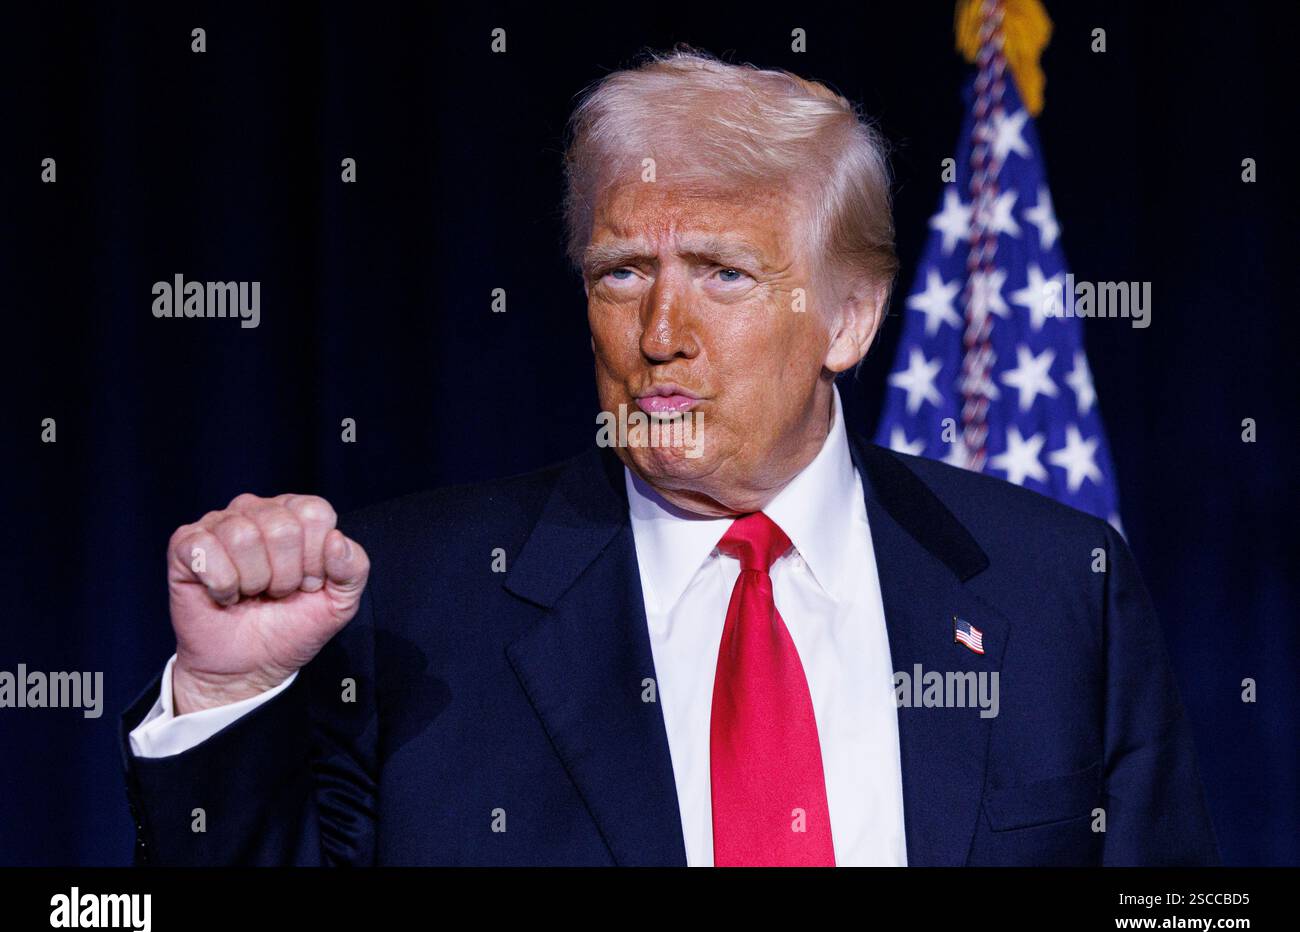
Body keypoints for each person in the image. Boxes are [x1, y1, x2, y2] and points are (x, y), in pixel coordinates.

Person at [119, 50, 1219, 866]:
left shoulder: (1056, 585)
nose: (659, 333)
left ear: (848, 315)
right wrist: (229, 692)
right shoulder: (413, 599)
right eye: (619, 275)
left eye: (723, 274)